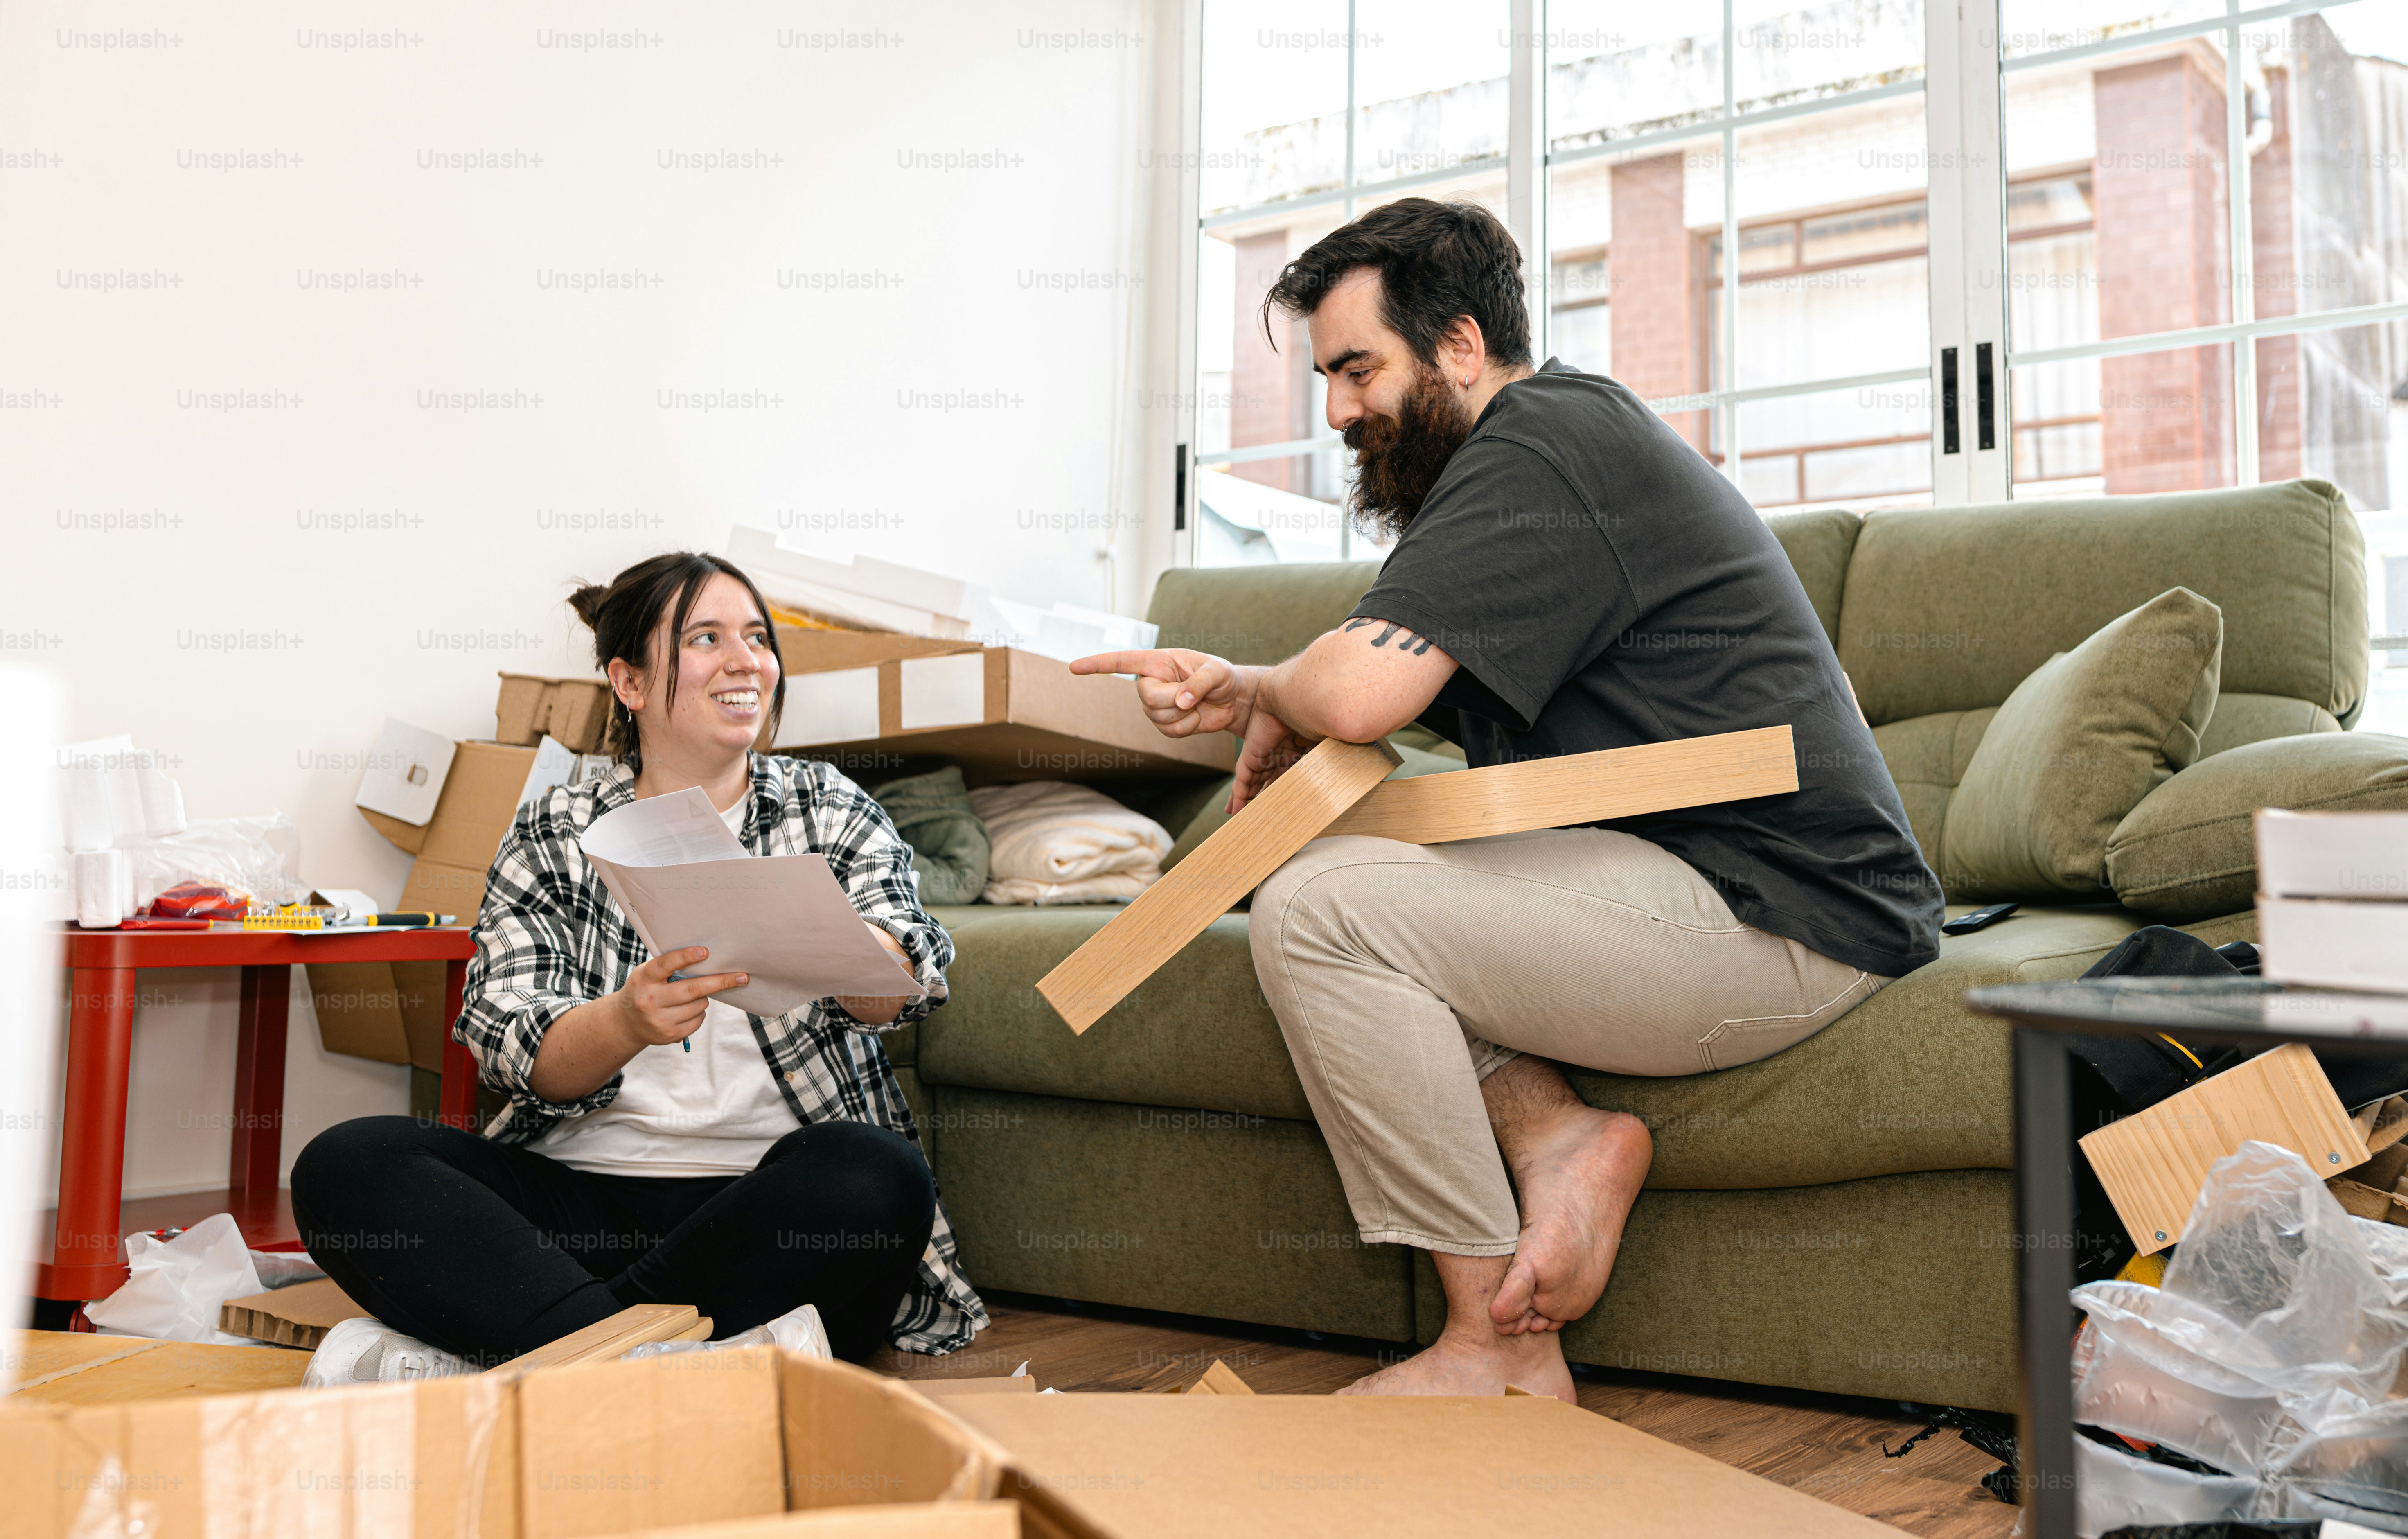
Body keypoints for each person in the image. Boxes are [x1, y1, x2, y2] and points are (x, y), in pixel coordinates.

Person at [1079, 198, 1941, 1402]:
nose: (1337, 410)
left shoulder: (1540, 450)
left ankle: (1496, 1354)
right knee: (1367, 885)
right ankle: (1559, 1137)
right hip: (1687, 889)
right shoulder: (1511, 475)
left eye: (1355, 369)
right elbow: (1363, 676)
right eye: (1326, 378)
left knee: (1325, 904)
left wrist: (1264, 684)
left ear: (1464, 348)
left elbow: (1359, 688)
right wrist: (1259, 690)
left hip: (1785, 918)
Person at [293, 553, 984, 1370]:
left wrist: (831, 941)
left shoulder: (825, 804)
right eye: (706, 638)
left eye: (757, 638)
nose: (746, 660)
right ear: (630, 683)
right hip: (581, 1201)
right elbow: (514, 1048)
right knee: (346, 1166)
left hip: (764, 1209)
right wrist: (624, 1019)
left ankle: (556, 1346)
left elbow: (910, 973)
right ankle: (644, 1366)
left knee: (879, 1177)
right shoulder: (557, 825)